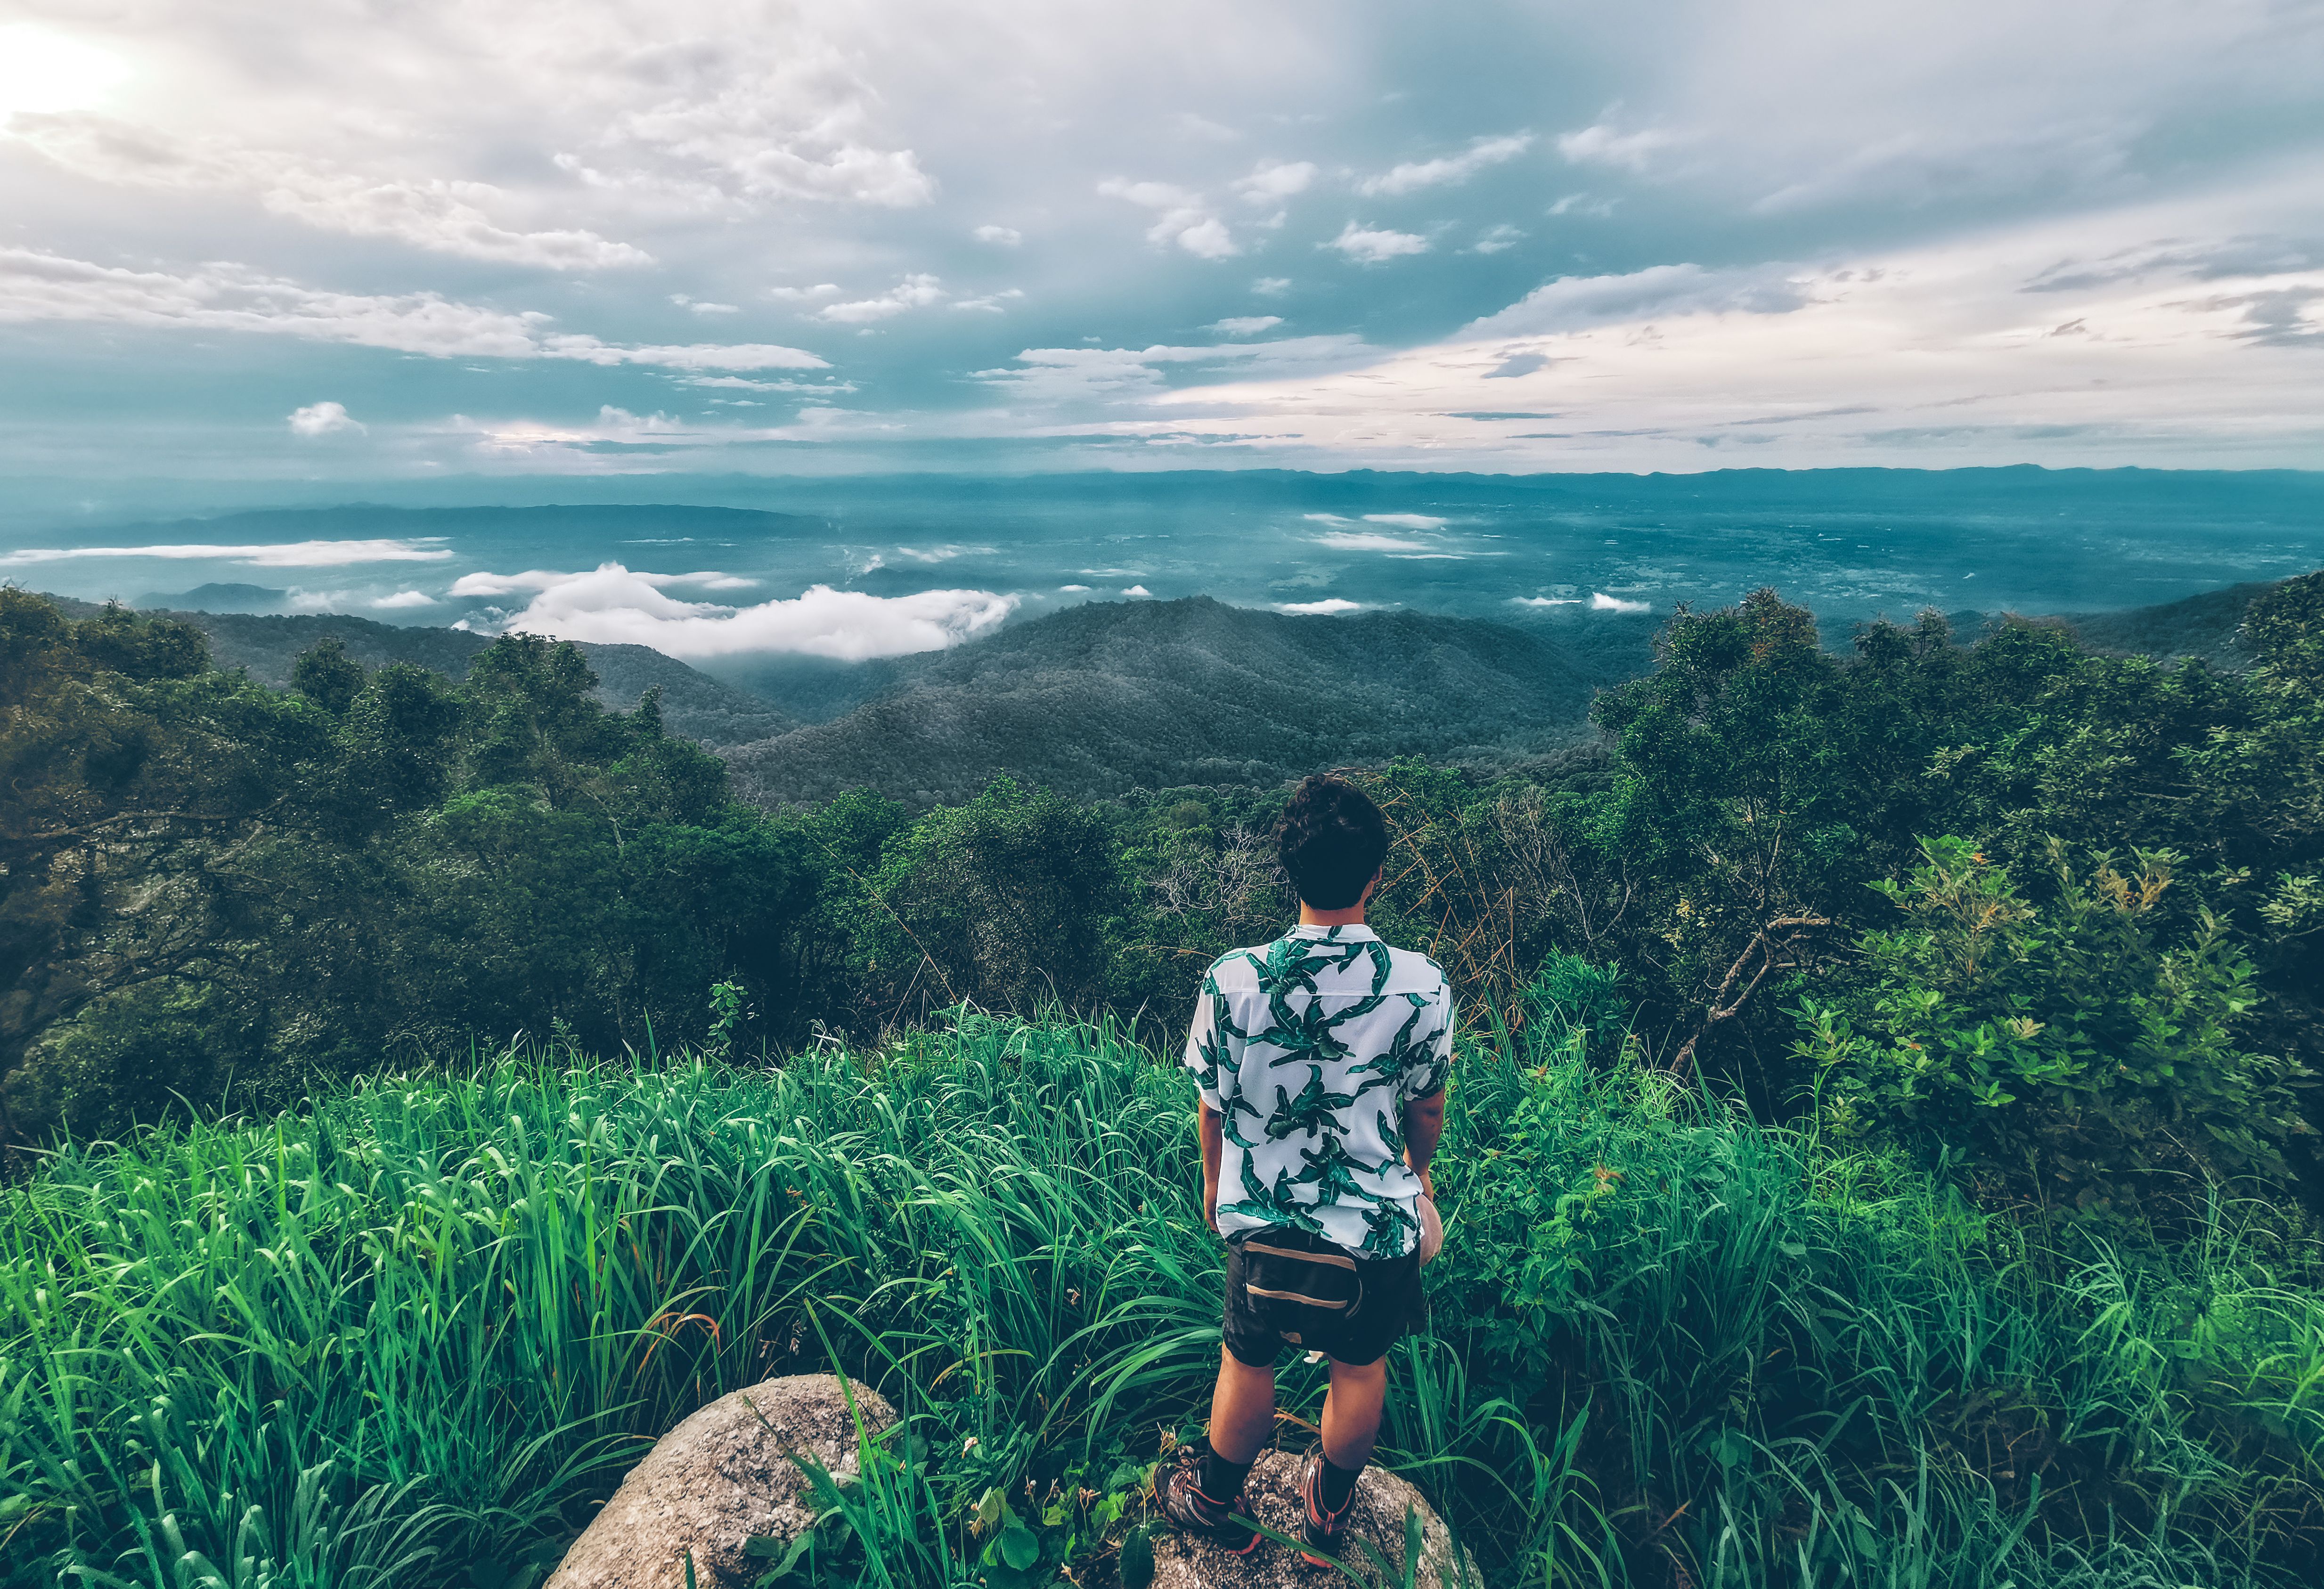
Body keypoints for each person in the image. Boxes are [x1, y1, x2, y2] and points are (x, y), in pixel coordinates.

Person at [1155, 773, 1452, 1563]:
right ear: (1377, 874)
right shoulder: (1421, 985)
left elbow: (1211, 1105)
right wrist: (1415, 1177)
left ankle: (1215, 1499)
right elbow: (1426, 1110)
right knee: (1359, 1370)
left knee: (1247, 1360)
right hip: (1373, 1229)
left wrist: (1217, 1187)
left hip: (1264, 1220)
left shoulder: (1233, 979)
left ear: (1286, 871)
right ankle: (1326, 1514)